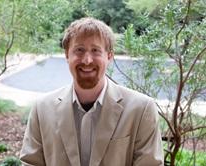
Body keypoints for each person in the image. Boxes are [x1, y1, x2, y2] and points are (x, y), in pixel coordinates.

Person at [20, 17, 164, 166]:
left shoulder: (141, 109)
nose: (87, 60)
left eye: (95, 50)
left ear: (109, 56)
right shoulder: (42, 109)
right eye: (79, 50)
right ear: (67, 56)